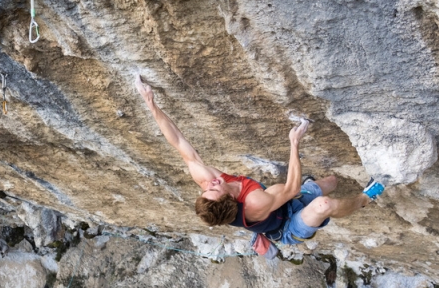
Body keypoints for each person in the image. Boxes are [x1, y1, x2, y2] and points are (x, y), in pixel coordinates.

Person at [134, 74, 384, 257]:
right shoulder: (254, 203)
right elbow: (291, 187)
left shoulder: (209, 181)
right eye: (213, 189)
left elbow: (179, 143)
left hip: (284, 201)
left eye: (206, 188)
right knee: (324, 204)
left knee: (331, 182)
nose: (209, 183)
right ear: (227, 200)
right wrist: (294, 143)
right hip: (288, 226)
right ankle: (365, 198)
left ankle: (319, 188)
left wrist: (150, 104)